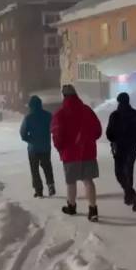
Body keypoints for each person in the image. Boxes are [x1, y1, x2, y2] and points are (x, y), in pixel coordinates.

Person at [52, 84, 102, 222]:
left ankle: (72, 206)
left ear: (64, 96)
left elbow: (57, 135)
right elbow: (98, 130)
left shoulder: (60, 113)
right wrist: (89, 140)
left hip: (69, 154)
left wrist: (60, 148)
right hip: (88, 152)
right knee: (88, 181)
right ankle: (93, 210)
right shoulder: (87, 110)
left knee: (71, 182)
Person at [106, 92, 136, 211]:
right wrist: (134, 136)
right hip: (132, 147)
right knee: (129, 171)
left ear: (118, 101)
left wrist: (115, 138)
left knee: (119, 173)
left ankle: (132, 195)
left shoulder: (115, 115)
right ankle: (129, 196)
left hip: (119, 148)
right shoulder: (135, 114)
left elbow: (109, 134)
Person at [19, 95, 56, 198]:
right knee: (47, 167)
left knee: (34, 170)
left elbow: (22, 133)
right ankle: (51, 185)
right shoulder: (48, 116)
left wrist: (29, 139)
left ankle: (38, 190)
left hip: (33, 149)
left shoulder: (28, 118)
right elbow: (54, 128)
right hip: (45, 147)